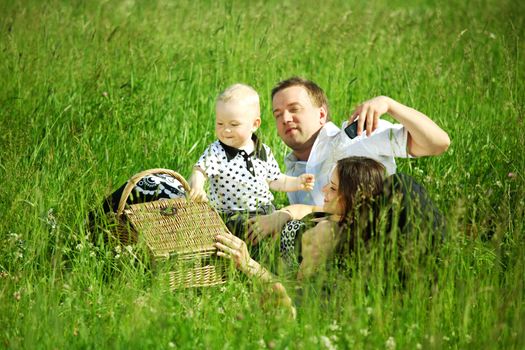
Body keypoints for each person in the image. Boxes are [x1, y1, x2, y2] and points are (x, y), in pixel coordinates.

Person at [214, 156, 445, 318]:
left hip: (251, 247)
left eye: (333, 188)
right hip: (260, 226)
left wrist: (248, 264)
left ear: (352, 198)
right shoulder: (337, 216)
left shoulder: (329, 235)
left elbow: (295, 289)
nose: (324, 190)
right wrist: (281, 215)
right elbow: (304, 210)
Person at [246, 76, 450, 244]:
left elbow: (438, 143)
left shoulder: (358, 134)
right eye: (278, 114)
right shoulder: (290, 173)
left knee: (401, 184)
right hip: (347, 257)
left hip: (394, 237)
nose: (286, 119)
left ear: (321, 114)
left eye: (294, 109)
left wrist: (390, 104)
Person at [188, 83, 315, 237]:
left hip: (266, 210)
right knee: (245, 229)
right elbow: (200, 170)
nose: (225, 130)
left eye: (234, 124)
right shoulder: (217, 151)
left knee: (286, 225)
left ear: (255, 124)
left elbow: (276, 180)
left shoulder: (263, 151)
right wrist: (198, 187)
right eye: (220, 123)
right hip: (233, 215)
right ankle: (257, 250)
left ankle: (282, 249)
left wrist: (297, 183)